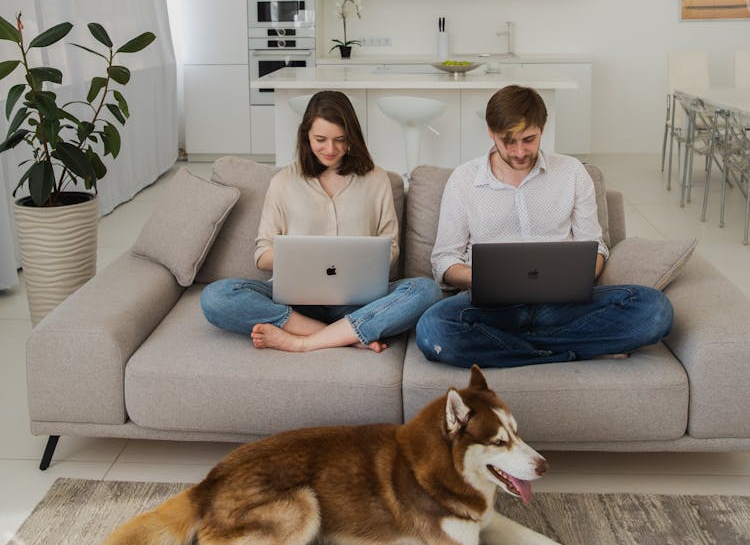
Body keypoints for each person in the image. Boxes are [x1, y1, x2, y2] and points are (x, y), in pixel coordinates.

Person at [415, 85, 673, 368]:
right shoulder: (463, 180)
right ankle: (571, 350)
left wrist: (576, 274)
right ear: (490, 131)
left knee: (655, 309)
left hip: (564, 306)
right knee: (433, 329)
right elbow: (443, 261)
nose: (519, 151)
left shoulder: (573, 172)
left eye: (529, 139)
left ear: (542, 129)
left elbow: (596, 247)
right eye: (508, 141)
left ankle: (511, 347)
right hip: (493, 309)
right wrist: (483, 279)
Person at [201, 90, 442, 353]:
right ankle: (344, 334)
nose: (330, 149)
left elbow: (391, 249)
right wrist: (303, 257)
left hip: (358, 301)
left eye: (340, 140)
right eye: (320, 139)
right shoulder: (284, 182)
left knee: (426, 290)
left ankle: (302, 340)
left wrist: (357, 260)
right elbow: (261, 255)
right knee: (216, 297)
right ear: (306, 135)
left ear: (352, 136)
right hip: (296, 302)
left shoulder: (376, 179)